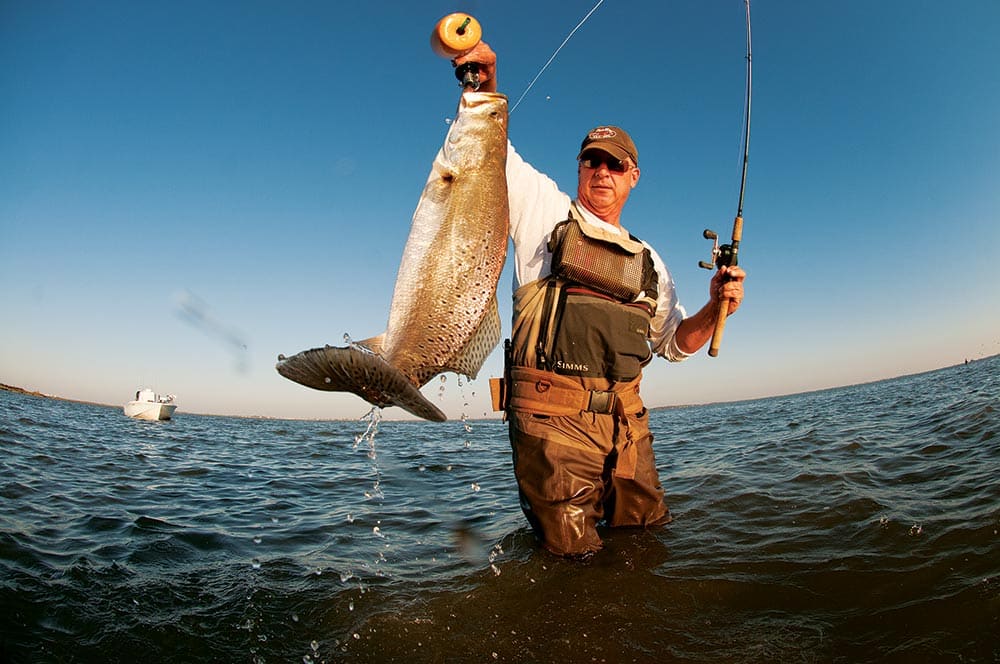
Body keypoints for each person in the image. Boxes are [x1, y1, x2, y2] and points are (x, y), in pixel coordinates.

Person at [453, 43, 746, 558]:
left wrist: (714, 309)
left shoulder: (650, 260)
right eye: (593, 159)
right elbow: (492, 151)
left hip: (630, 429)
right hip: (553, 428)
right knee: (570, 568)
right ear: (580, 167)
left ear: (633, 177)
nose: (603, 171)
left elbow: (674, 344)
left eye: (616, 164)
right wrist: (482, 83)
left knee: (648, 548)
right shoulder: (543, 210)